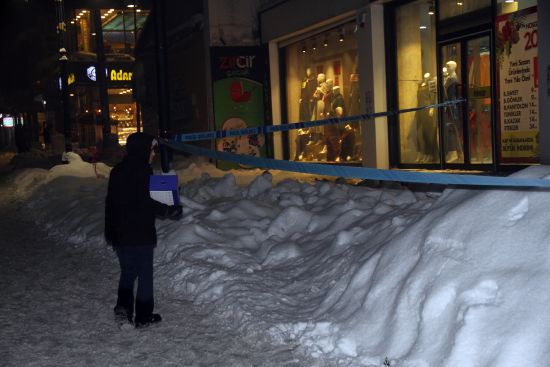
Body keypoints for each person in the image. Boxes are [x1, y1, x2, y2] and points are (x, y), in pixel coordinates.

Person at [105, 132, 182, 328]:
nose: (154, 154)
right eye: (152, 150)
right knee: (145, 274)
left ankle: (123, 309)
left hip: (121, 233)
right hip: (140, 233)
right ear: (143, 150)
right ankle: (143, 315)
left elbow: (110, 203)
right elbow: (147, 203)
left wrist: (110, 231)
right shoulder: (144, 172)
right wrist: (170, 209)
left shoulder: (117, 171)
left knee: (128, 272)